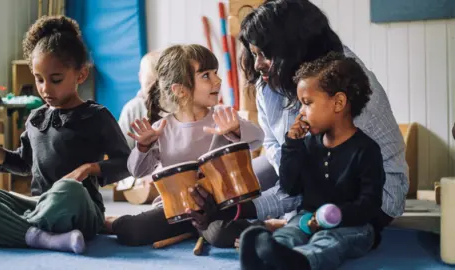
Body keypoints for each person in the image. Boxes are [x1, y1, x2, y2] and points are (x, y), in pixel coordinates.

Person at [189, 0, 408, 248]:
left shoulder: (342, 88)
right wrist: (229, 206)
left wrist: (282, 210)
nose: (257, 63)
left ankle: (276, 231)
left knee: (229, 222)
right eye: (253, 53)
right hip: (301, 174)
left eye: (264, 54)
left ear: (292, 50)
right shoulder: (273, 78)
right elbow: (275, 147)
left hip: (356, 195)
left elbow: (313, 187)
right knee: (220, 205)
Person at [0, 15, 131, 254]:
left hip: (80, 205)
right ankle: (41, 236)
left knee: (69, 189)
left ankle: (14, 230)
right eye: (39, 79)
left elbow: (125, 164)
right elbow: (25, 163)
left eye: (55, 79)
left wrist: (90, 168)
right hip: (40, 204)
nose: (45, 88)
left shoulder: (96, 116)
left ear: (80, 75)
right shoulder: (36, 118)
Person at [105, 44, 264, 246]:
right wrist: (143, 147)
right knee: (132, 231)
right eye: (206, 75)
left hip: (219, 208)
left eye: (215, 73)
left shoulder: (222, 116)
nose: (217, 80)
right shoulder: (162, 128)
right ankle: (106, 223)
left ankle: (263, 228)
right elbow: (136, 171)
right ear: (180, 90)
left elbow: (258, 138)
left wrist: (235, 129)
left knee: (220, 234)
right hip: (176, 210)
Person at [239, 52, 385, 270]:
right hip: (308, 219)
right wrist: (291, 145)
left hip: (355, 226)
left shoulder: (366, 150)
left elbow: (369, 205)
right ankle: (266, 258)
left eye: (307, 103)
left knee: (329, 241)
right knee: (290, 231)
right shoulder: (308, 144)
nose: (301, 112)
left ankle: (302, 261)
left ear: (338, 103)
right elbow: (291, 186)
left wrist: (331, 217)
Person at [119, 51, 160, 150]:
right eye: (149, 83)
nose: (154, 91)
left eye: (158, 84)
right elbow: (123, 153)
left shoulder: (175, 106)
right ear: (140, 77)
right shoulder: (132, 109)